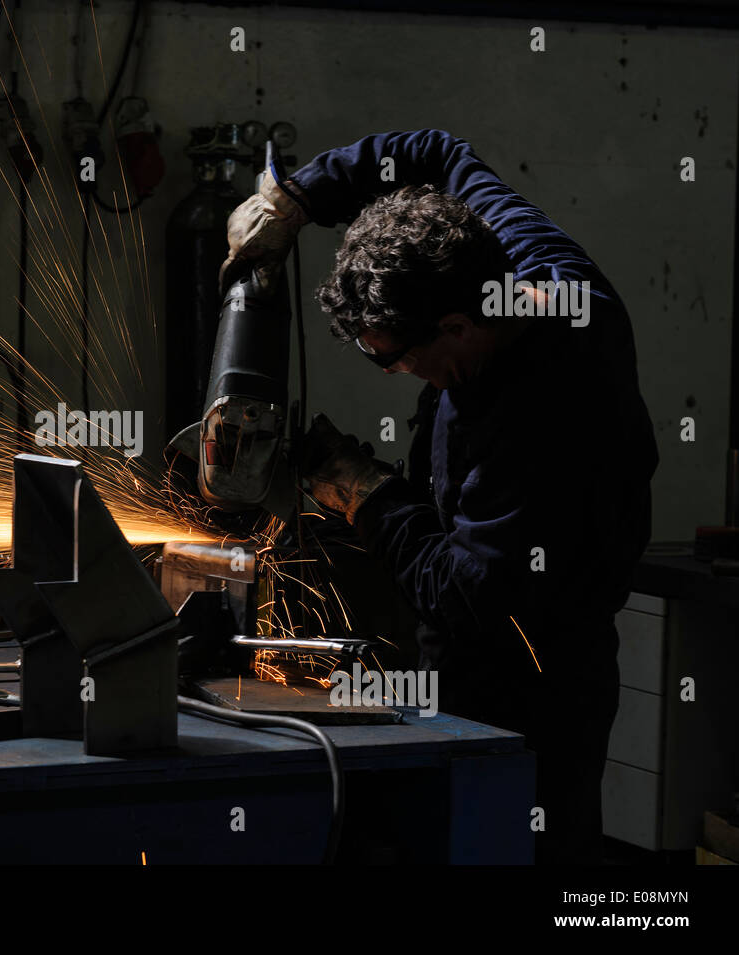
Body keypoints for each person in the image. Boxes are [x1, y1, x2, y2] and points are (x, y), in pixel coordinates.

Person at [224, 129, 659, 864]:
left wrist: (367, 495)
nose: (391, 372)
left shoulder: (542, 412)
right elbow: (433, 150)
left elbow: (467, 589)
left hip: (532, 679)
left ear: (456, 325)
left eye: (393, 355)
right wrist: (296, 200)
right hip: (468, 641)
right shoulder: (512, 252)